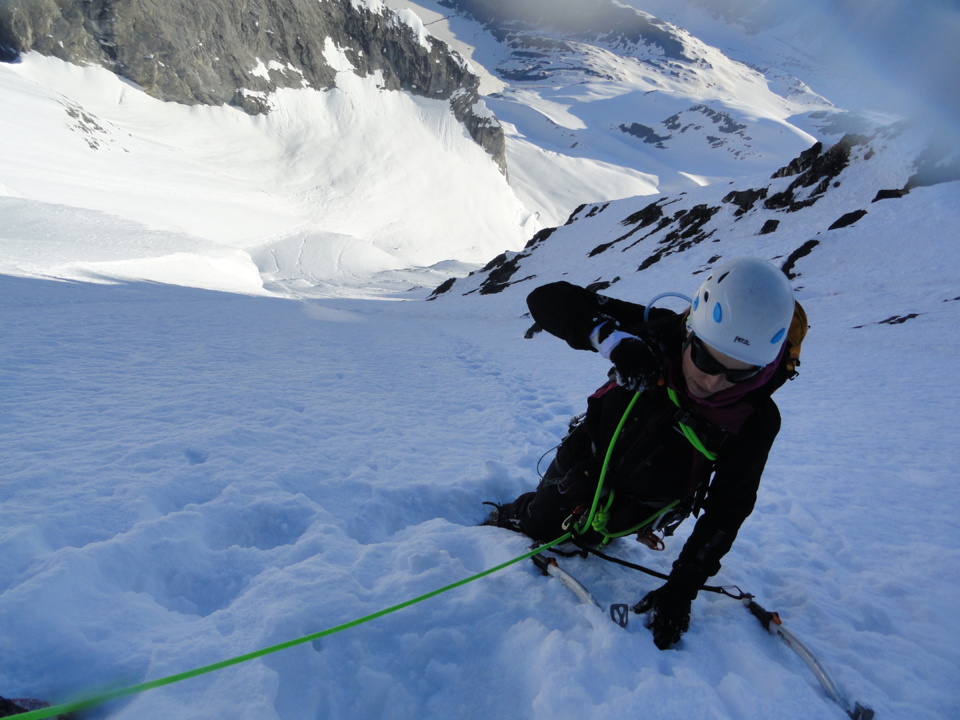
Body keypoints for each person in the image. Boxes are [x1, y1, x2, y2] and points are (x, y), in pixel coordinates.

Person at [484, 257, 800, 650]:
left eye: (740, 374)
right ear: (690, 332)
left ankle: (590, 527)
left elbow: (728, 510)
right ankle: (517, 512)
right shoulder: (661, 332)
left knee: (602, 532)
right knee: (540, 525)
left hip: (652, 499)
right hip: (588, 456)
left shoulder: (755, 418)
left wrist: (680, 591)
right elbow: (547, 299)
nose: (713, 381)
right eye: (705, 359)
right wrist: (613, 340)